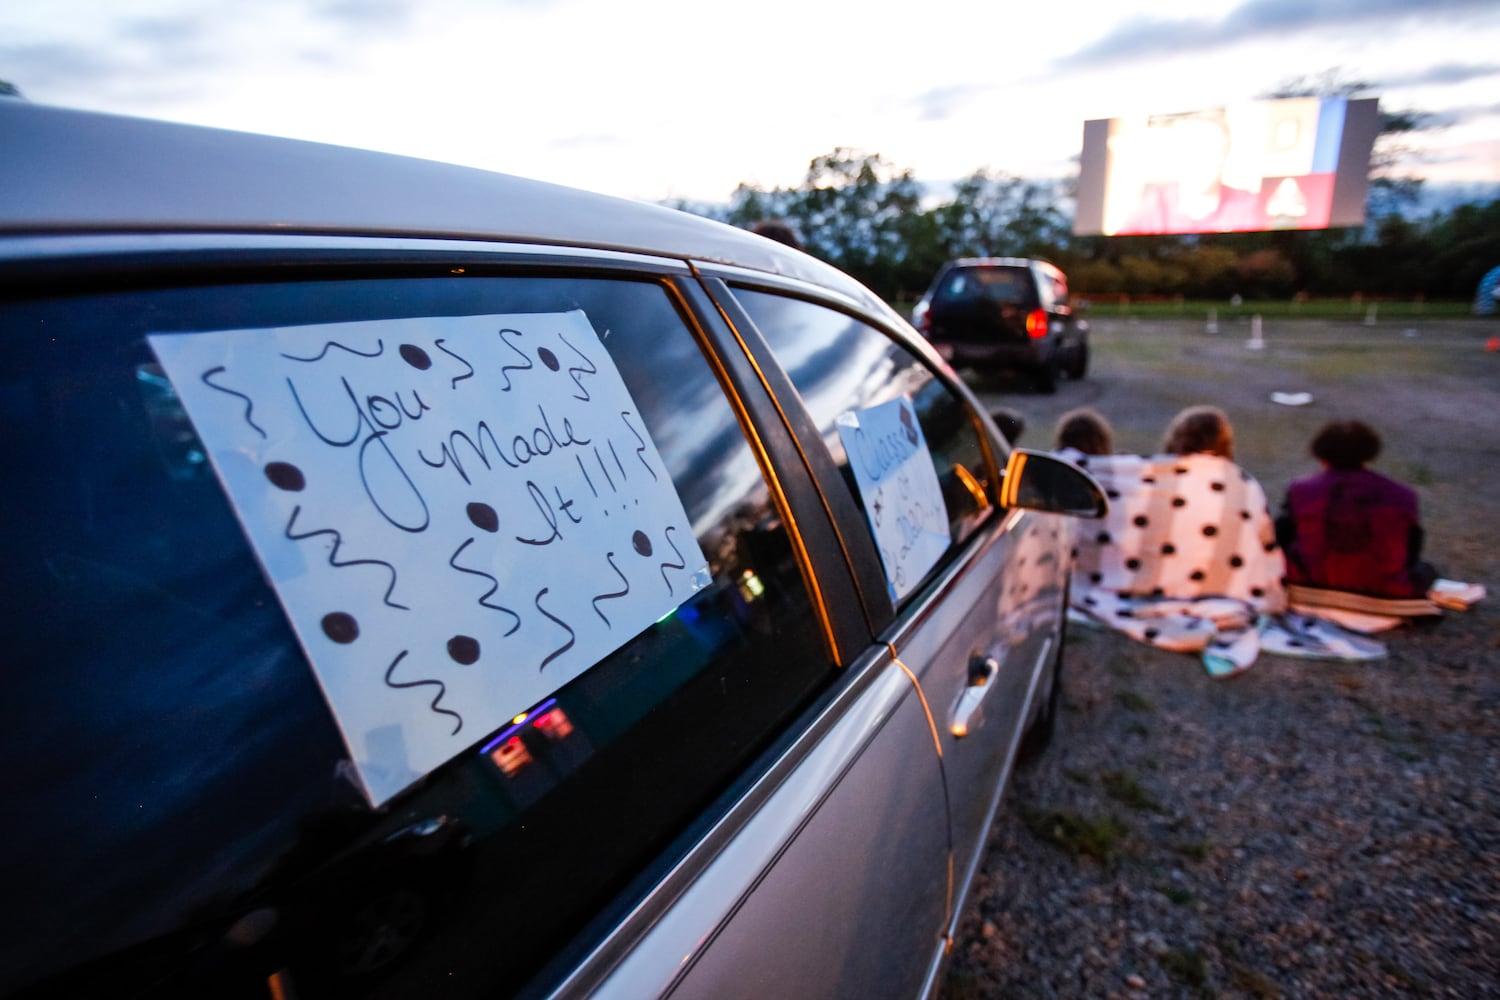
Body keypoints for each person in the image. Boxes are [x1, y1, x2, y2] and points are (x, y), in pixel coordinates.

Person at [1276, 420, 1435, 598]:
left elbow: (1281, 538)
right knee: (1426, 570)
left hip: (1311, 582)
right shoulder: (1402, 494)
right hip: (1384, 590)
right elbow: (1411, 548)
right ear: (1369, 456)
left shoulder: (1301, 490)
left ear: (1321, 456)